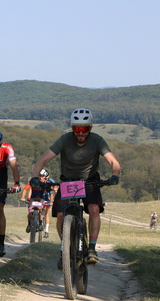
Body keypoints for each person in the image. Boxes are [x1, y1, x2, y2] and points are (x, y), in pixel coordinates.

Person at [30, 108, 121, 268]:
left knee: (94, 209)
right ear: (72, 128)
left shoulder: (97, 140)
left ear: (90, 128)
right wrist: (35, 177)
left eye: (84, 129)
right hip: (69, 182)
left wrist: (115, 174)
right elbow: (42, 160)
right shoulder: (64, 140)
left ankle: (91, 248)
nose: (80, 133)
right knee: (60, 214)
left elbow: (113, 161)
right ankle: (64, 249)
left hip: (89, 181)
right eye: (77, 129)